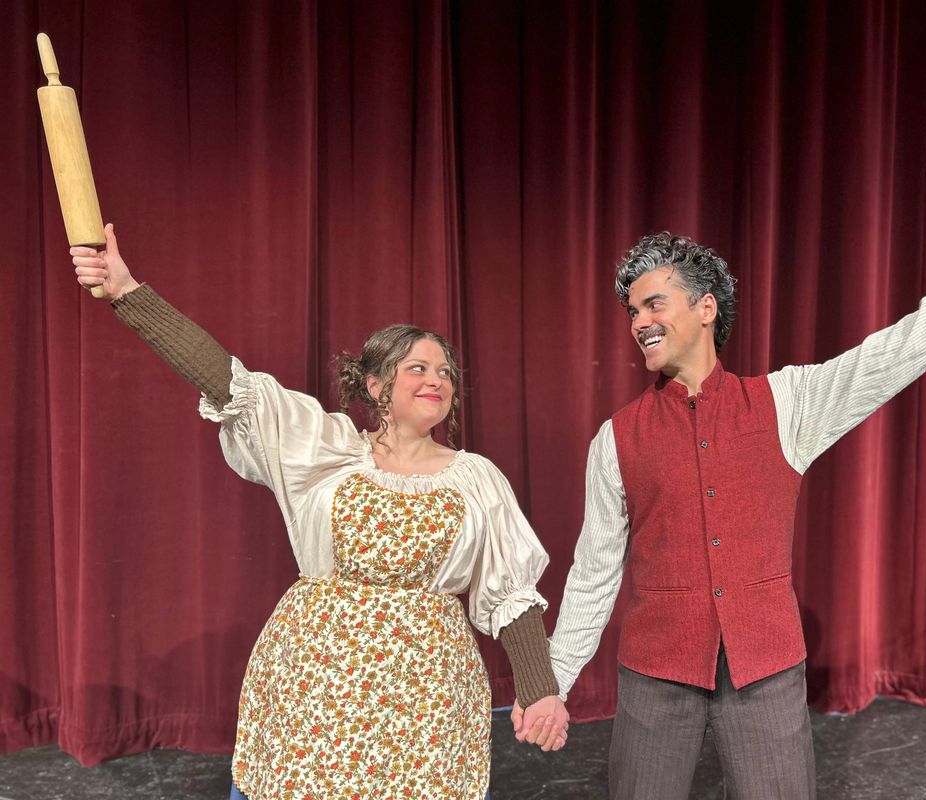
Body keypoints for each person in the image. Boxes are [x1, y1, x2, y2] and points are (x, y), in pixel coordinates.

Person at [524, 212, 926, 798]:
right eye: (633, 312)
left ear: (706, 308)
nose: (640, 322)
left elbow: (895, 351)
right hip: (655, 676)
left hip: (765, 672)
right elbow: (593, 573)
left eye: (654, 304)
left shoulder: (787, 402)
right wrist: (551, 683)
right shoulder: (616, 438)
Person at [70, 225, 570, 799]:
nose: (437, 380)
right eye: (418, 367)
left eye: (445, 372)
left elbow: (510, 592)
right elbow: (227, 382)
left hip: (427, 692)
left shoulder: (475, 478)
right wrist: (129, 292)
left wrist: (540, 687)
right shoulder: (326, 451)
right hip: (316, 678)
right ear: (376, 383)